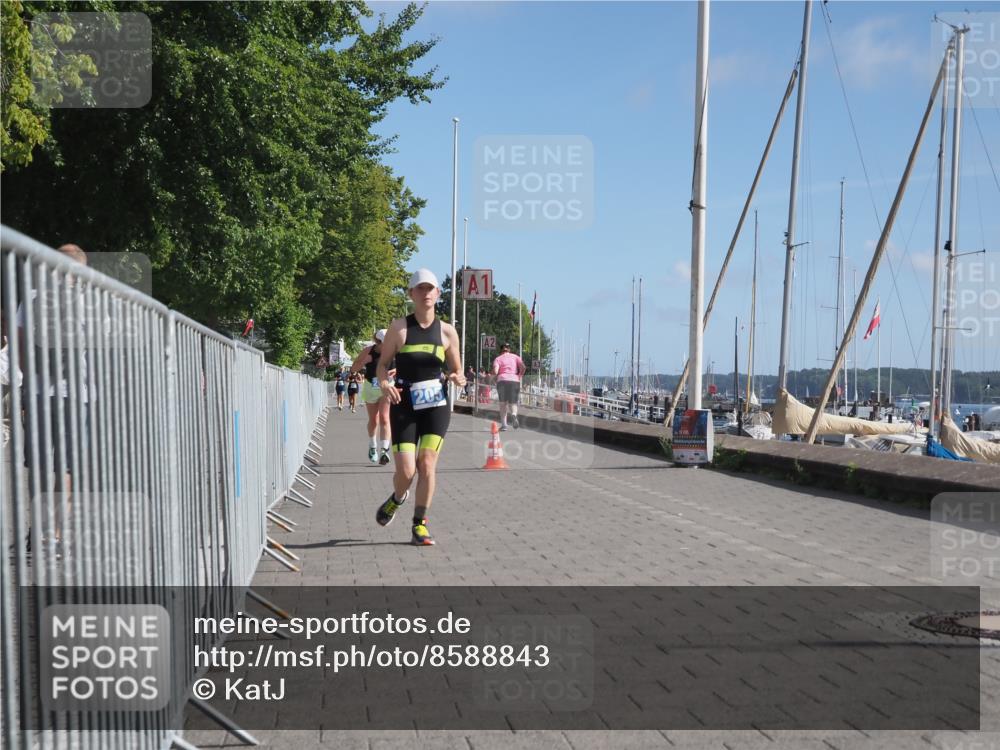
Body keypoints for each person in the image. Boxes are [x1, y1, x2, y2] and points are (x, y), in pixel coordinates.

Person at [374, 269, 465, 547]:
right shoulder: (399, 328)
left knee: (426, 464)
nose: (426, 294)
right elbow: (382, 364)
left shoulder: (447, 331)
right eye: (420, 289)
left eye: (431, 289)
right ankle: (398, 497)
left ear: (438, 294)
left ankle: (419, 525)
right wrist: (383, 383)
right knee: (406, 472)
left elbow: (457, 369)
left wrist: (457, 377)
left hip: (435, 405)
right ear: (412, 294)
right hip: (405, 404)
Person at [352, 329, 394, 465]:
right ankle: (372, 446)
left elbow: (406, 366)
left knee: (384, 418)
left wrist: (397, 370)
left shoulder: (394, 350)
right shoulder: (368, 351)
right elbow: (353, 368)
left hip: (386, 387)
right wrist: (363, 362)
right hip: (371, 387)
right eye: (385, 343)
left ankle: (384, 451)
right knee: (373, 420)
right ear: (378, 342)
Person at [492, 342, 525, 431]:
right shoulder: (516, 357)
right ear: (509, 349)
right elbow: (523, 367)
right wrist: (519, 376)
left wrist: (494, 377)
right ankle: (514, 414)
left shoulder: (498, 359)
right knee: (513, 403)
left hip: (502, 380)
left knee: (503, 404)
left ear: (501, 350)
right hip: (514, 380)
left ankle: (504, 425)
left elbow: (495, 371)